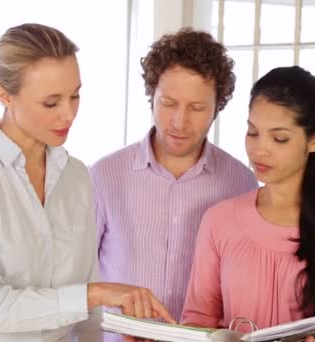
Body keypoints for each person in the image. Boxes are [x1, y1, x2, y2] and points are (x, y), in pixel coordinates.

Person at [0, 23, 174, 342]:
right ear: (4, 94)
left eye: (75, 96)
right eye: (51, 102)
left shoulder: (76, 176)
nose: (69, 114)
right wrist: (95, 293)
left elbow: (87, 316)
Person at [181, 66, 315, 342]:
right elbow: (198, 319)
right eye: (252, 133)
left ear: (314, 139)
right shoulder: (218, 220)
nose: (259, 149)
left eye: (279, 138)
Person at [89, 27, 257, 337]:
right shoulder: (102, 177)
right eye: (168, 103)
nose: (180, 122)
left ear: (217, 107)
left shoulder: (241, 183)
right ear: (151, 96)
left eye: (197, 108)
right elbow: (78, 287)